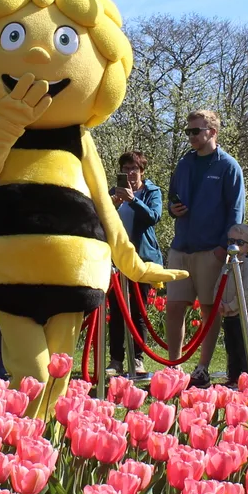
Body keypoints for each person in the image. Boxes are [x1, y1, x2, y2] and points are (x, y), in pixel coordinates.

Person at [166, 110, 246, 387]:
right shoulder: (184, 163)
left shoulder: (228, 166)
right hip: (181, 247)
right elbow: (172, 196)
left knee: (209, 311)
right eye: (188, 131)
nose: (191, 136)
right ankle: (174, 366)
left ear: (212, 132)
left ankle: (202, 369)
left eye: (195, 131)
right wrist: (173, 208)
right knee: (174, 307)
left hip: (211, 250)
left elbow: (236, 211)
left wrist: (224, 248)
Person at [109, 150, 162, 377]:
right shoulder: (113, 192)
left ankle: (137, 359)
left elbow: (153, 217)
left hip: (141, 259)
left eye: (134, 169)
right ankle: (116, 360)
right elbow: (101, 219)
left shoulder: (151, 192)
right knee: (117, 311)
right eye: (126, 169)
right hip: (117, 260)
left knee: (139, 311)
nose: (130, 173)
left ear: (142, 171)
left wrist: (133, 200)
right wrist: (113, 204)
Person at [218, 223, 248, 382]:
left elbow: (247, 291)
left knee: (243, 347)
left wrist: (231, 305)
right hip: (229, 313)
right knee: (231, 346)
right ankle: (233, 376)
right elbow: (219, 284)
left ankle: (247, 377)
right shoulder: (228, 264)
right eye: (231, 241)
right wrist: (220, 302)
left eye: (240, 243)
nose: (234, 246)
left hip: (243, 313)